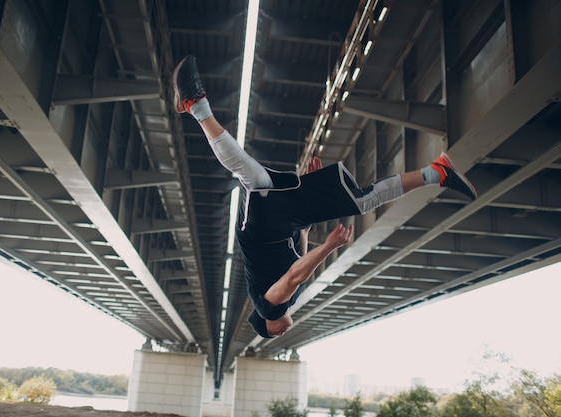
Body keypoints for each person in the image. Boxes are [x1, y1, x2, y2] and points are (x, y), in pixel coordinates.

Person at [172, 55, 477, 338]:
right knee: (354, 200)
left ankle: (196, 105)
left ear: (268, 326)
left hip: (264, 230)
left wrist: (330, 245)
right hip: (285, 225)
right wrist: (308, 196)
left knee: (249, 173)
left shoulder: (269, 308)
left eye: (277, 333)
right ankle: (437, 172)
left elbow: (293, 275)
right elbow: (299, 257)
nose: (282, 332)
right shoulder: (288, 302)